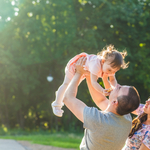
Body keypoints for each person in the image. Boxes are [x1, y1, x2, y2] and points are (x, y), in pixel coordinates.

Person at [63, 57, 140, 150]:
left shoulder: (98, 120)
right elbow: (101, 101)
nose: (117, 85)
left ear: (115, 102)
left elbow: (67, 98)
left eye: (119, 88)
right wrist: (89, 76)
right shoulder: (126, 117)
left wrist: (79, 73)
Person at [52, 45, 128, 117]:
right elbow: (94, 82)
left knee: (69, 88)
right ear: (103, 61)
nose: (111, 73)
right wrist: (102, 90)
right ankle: (56, 104)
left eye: (115, 71)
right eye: (110, 70)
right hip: (75, 66)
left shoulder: (110, 67)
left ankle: (60, 94)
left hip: (84, 71)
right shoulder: (96, 65)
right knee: (66, 85)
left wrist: (115, 90)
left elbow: (112, 80)